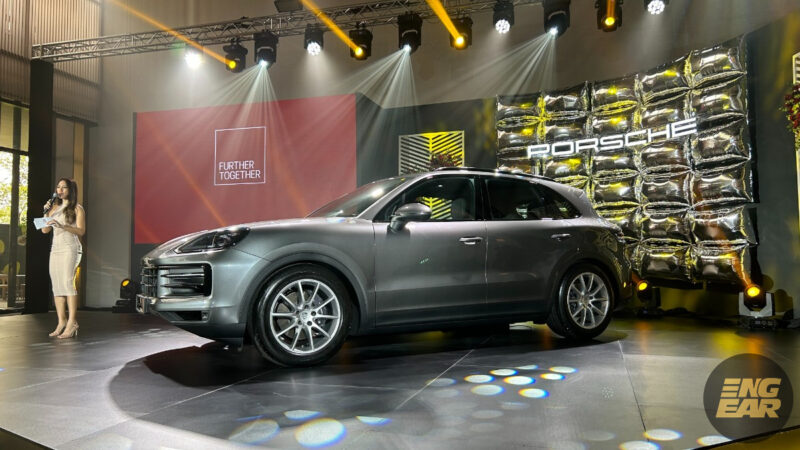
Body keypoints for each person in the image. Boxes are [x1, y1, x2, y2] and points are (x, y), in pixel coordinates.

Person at [42, 178, 85, 339]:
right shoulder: (53, 208)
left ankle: (72, 323)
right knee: (57, 285)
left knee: (67, 283)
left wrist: (62, 226)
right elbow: (45, 230)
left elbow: (81, 231)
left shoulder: (77, 208)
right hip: (56, 249)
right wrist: (46, 211)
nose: (59, 190)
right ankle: (61, 321)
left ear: (70, 190)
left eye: (63, 187)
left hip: (70, 248)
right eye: (58, 187)